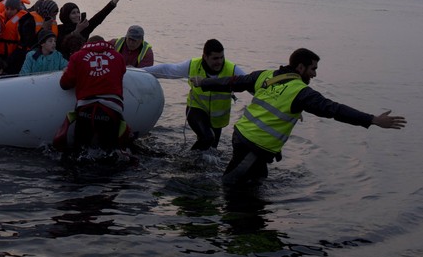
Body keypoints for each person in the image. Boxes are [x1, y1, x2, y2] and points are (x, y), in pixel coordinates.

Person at [192, 48, 407, 186]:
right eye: (313, 69)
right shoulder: (300, 92)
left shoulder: (265, 76)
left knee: (259, 183)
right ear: (300, 67)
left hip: (242, 137)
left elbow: (231, 82)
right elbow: (334, 109)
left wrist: (203, 82)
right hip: (254, 146)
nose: (314, 74)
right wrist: (372, 119)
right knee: (229, 185)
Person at [144, 39, 244, 158]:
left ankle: (197, 166)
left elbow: (250, 82)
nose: (220, 62)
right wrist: (139, 71)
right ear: (205, 57)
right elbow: (167, 69)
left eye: (222, 57)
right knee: (207, 138)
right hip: (196, 110)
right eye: (215, 58)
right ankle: (186, 162)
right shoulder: (193, 65)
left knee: (211, 152)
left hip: (217, 119)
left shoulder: (232, 70)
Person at [58, 36, 129, 155]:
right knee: (109, 152)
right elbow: (122, 72)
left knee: (79, 152)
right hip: (111, 109)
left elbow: (65, 84)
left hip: (86, 109)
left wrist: (66, 72)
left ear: (87, 44)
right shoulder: (118, 57)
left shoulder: (77, 56)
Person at [57, 0, 134, 55]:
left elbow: (100, 16)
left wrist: (116, 0)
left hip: (81, 60)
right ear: (66, 15)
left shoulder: (85, 28)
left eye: (78, 12)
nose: (77, 15)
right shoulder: (59, 28)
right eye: (73, 13)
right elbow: (60, 44)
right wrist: (77, 31)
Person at [0, 0, 36, 74]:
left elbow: (25, 43)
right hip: (1, 55)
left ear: (18, 10)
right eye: (7, 9)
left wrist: (11, 59)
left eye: (12, 9)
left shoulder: (24, 20)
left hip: (14, 56)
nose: (9, 11)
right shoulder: (1, 18)